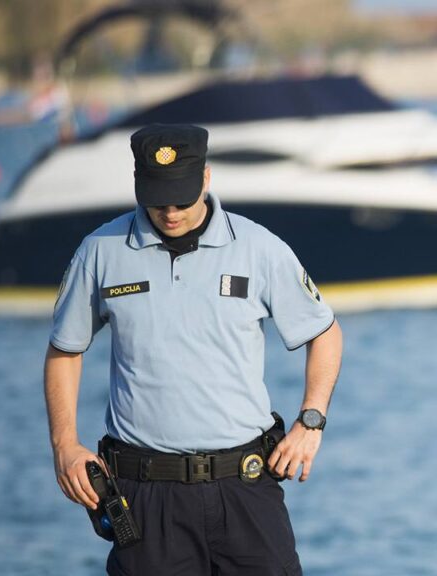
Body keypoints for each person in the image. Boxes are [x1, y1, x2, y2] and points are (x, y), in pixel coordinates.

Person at [44, 123, 343, 575]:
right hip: (145, 498)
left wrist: (311, 421)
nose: (170, 212)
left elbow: (325, 333)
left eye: (181, 199)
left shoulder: (259, 248)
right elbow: (64, 351)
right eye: (158, 199)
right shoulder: (100, 252)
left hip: (245, 489)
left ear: (205, 178)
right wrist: (64, 445)